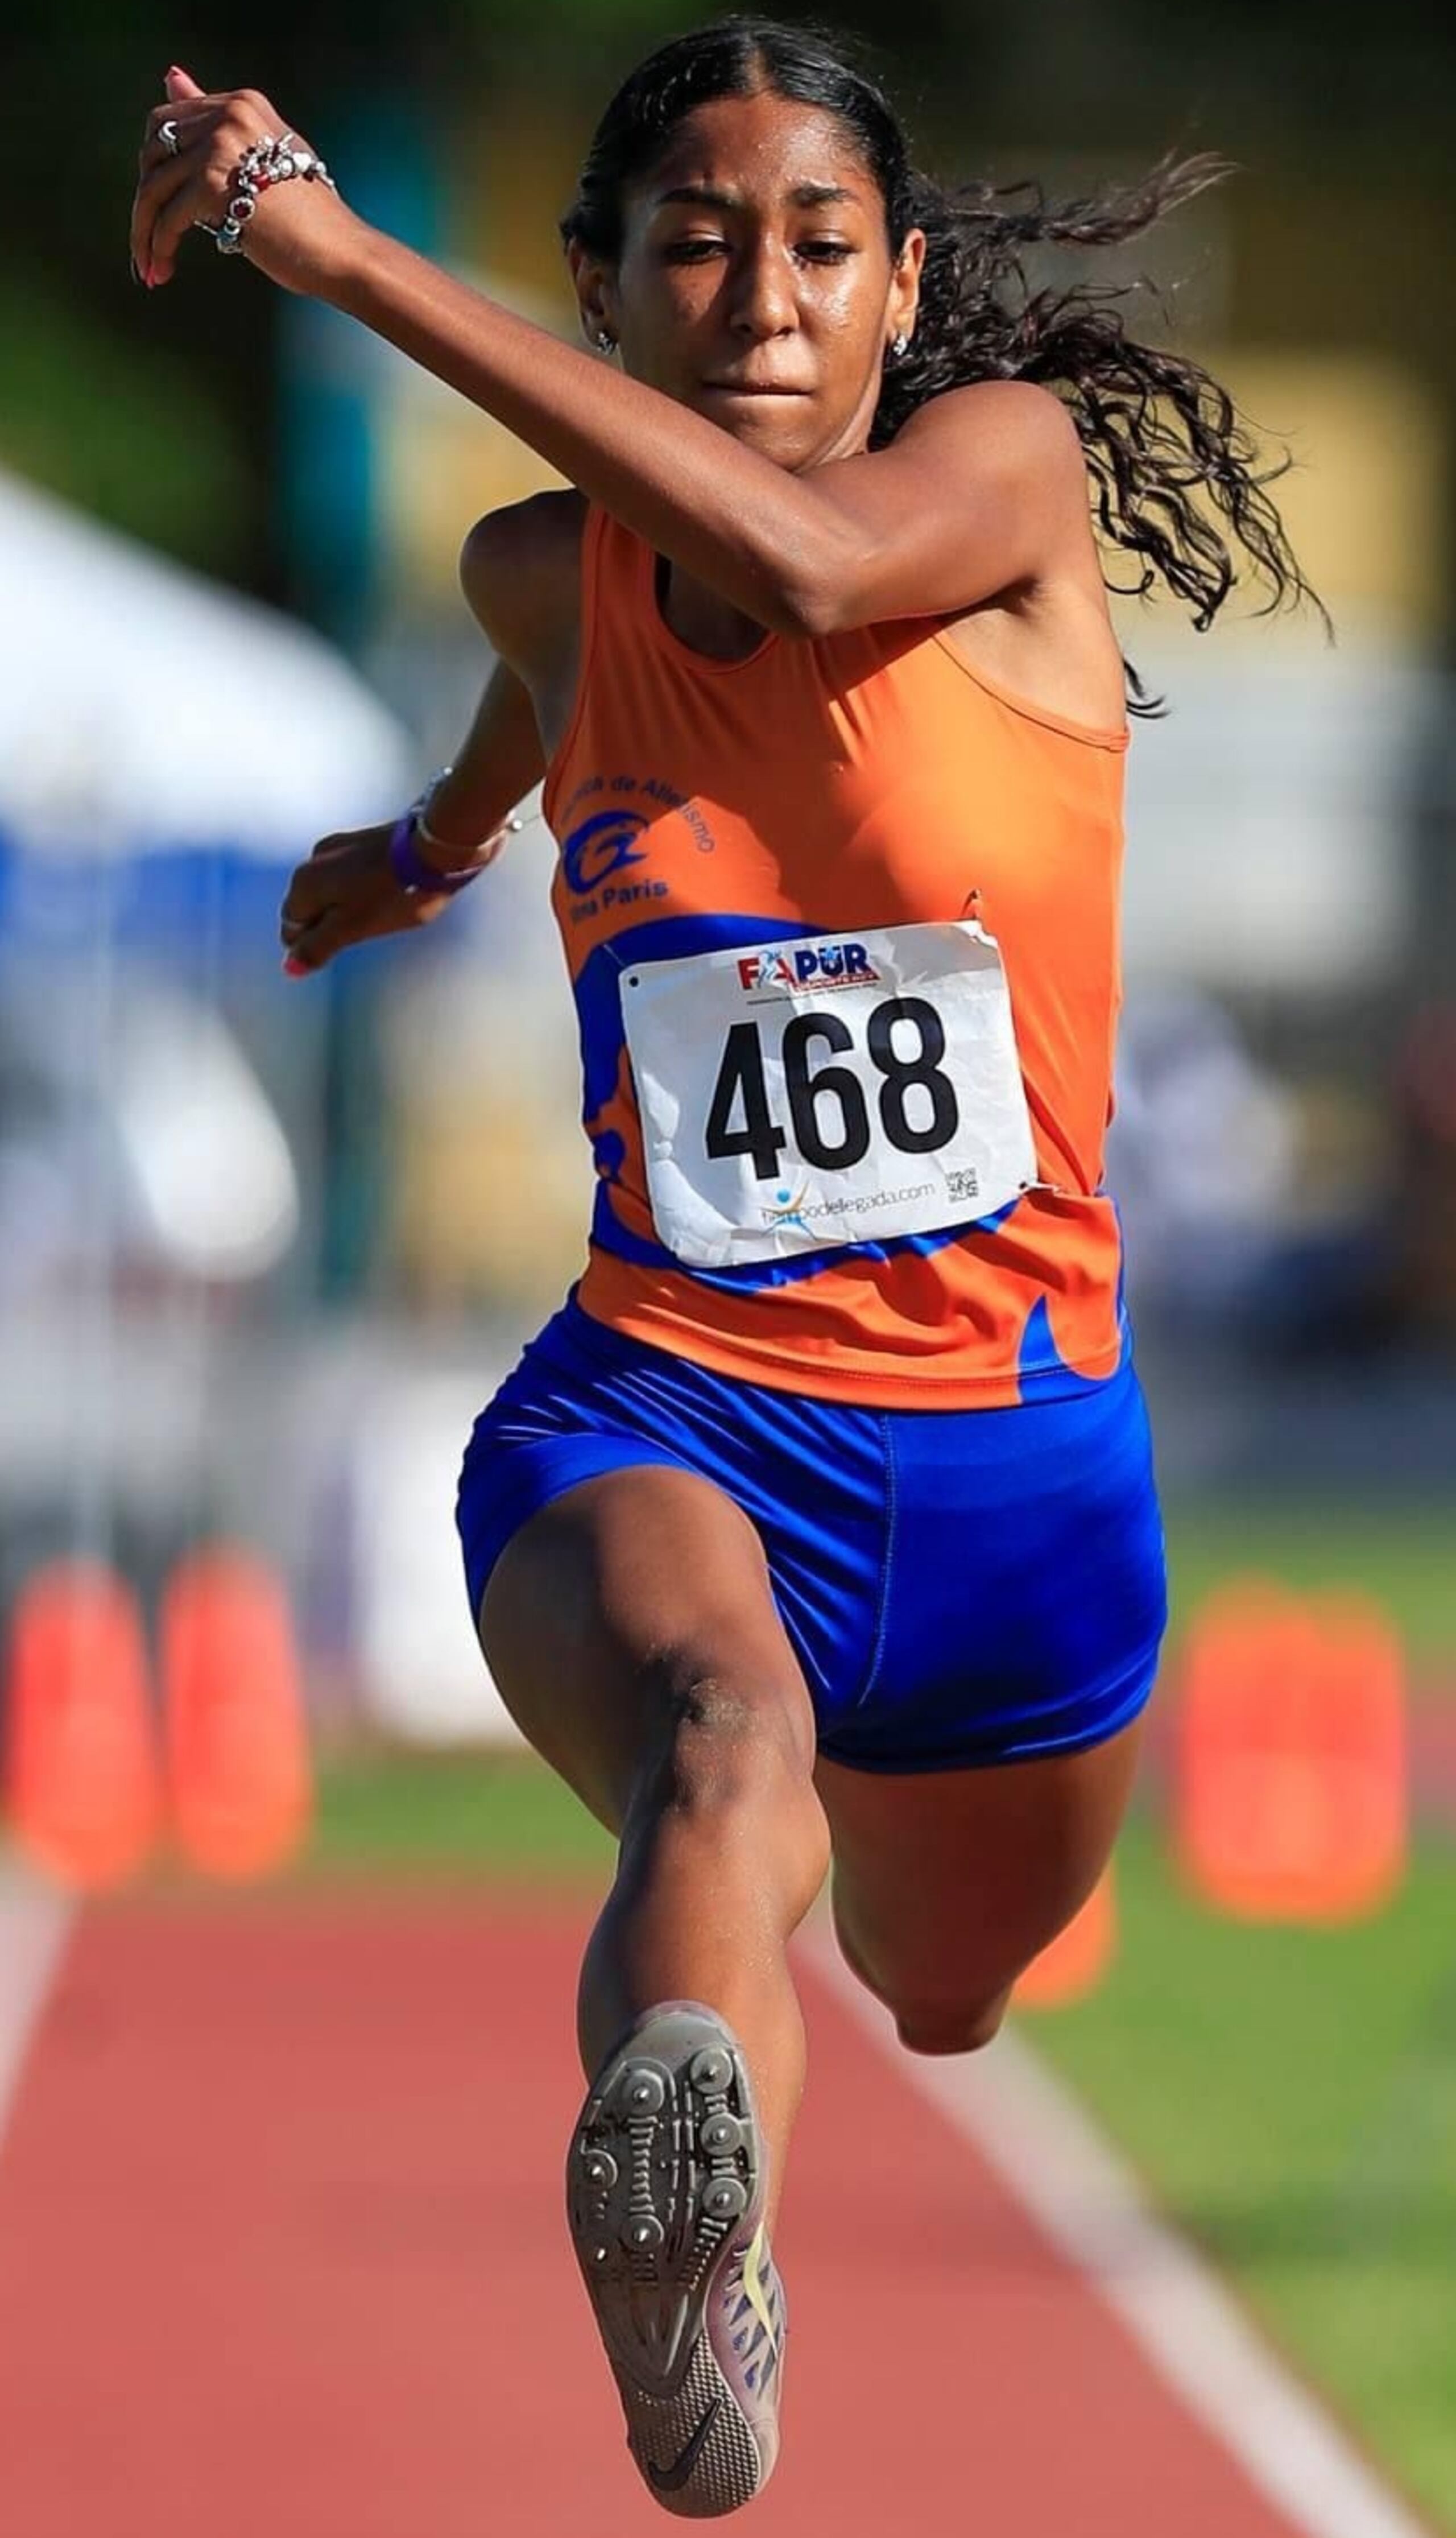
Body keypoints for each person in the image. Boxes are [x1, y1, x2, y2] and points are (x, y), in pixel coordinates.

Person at [133, 22, 1318, 2515]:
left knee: (948, 1991)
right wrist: (436, 845)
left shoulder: (997, 492)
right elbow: (552, 660)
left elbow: (795, 567)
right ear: (604, 282)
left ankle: (770, 2099)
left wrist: (327, 253)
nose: (757, 296)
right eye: (692, 241)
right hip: (668, 1410)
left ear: (896, 289)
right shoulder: (540, 574)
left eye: (812, 245)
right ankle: (699, 2275)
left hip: (1018, 1486)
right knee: (719, 1751)